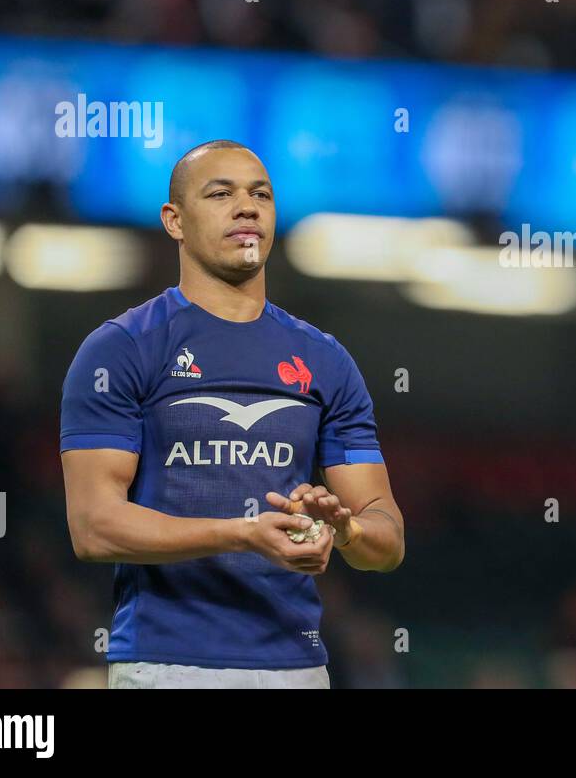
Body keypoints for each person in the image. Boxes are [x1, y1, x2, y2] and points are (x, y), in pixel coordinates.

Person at [60, 139, 404, 688]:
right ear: (174, 220)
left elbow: (387, 541)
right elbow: (94, 528)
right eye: (221, 193)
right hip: (166, 668)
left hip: (298, 671)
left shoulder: (326, 360)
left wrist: (347, 529)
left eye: (260, 195)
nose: (247, 207)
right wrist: (242, 534)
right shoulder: (122, 349)